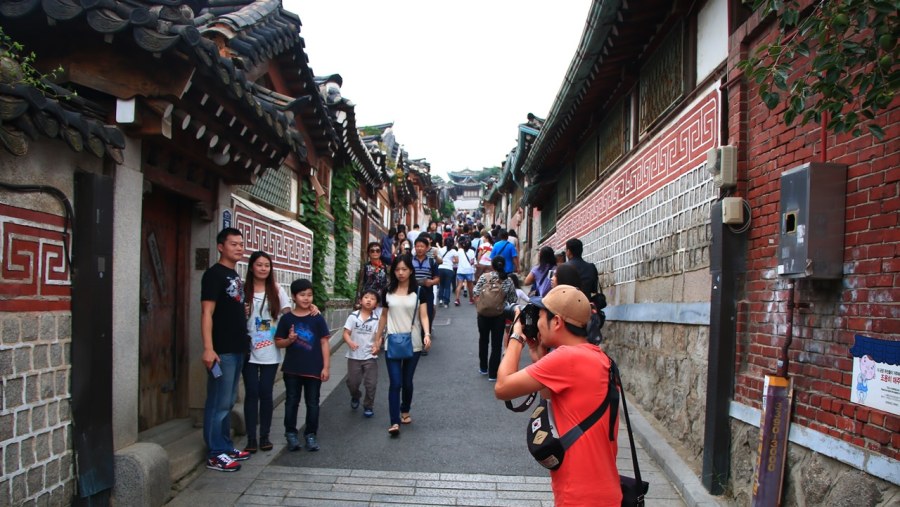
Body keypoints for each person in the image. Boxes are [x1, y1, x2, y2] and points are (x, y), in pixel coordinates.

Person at [495, 285, 621, 506]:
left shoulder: (566, 358)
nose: (537, 322)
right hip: (603, 489)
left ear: (557, 322)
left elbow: (503, 387)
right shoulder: (599, 358)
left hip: (580, 496)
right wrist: (539, 357)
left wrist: (516, 335)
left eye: (540, 315)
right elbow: (554, 403)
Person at [200, 228, 251, 472]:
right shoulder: (213, 275)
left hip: (238, 348)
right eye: (233, 244)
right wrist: (209, 348)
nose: (239, 248)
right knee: (218, 402)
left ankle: (225, 446)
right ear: (221, 246)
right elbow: (207, 313)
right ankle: (215, 453)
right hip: (222, 350)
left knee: (229, 400)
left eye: (241, 244)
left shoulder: (234, 274)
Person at [376, 255, 432, 436]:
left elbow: (424, 315)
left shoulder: (419, 291)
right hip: (392, 341)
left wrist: (427, 334)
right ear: (393, 271)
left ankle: (405, 409)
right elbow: (384, 316)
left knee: (407, 382)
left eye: (404, 269)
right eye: (397, 269)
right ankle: (394, 421)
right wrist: (377, 338)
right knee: (395, 382)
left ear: (411, 271)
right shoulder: (387, 291)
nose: (400, 273)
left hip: (413, 342)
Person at [241, 251, 291, 455]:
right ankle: (251, 438)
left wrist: (310, 307)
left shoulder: (276, 290)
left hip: (271, 349)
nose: (263, 268)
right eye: (259, 265)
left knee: (266, 392)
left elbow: (288, 313)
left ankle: (265, 436)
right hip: (248, 348)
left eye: (266, 265)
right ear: (251, 267)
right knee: (251, 392)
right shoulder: (243, 290)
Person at [275, 278, 330, 452]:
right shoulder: (286, 319)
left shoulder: (317, 318)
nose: (306, 298)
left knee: (312, 402)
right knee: (292, 401)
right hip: (292, 368)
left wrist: (326, 367)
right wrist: (289, 340)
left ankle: (310, 434)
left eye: (309, 295)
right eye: (302, 295)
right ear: (293, 296)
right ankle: (290, 433)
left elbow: (324, 343)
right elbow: (278, 343)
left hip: (314, 368)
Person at [473, 256, 517, 381]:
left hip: (483, 315)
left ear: (492, 265)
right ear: (503, 265)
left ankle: (483, 368)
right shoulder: (508, 280)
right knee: (496, 345)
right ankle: (493, 374)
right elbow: (513, 300)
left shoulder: (484, 277)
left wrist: (482, 305)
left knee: (483, 340)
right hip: (499, 316)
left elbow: (476, 292)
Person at [342, 289, 381, 418]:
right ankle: (355, 396)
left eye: (372, 298)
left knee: (371, 383)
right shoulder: (353, 316)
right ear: (360, 301)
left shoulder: (377, 320)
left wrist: (377, 346)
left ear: (376, 304)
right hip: (354, 356)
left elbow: (378, 336)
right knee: (353, 382)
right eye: (366, 297)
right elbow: (346, 333)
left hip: (370, 356)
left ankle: (368, 406)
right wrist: (350, 342)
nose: (369, 300)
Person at [411, 237, 439, 342]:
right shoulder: (409, 261)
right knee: (413, 314)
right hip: (412, 291)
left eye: (422, 246)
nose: (419, 248)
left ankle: (425, 339)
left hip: (427, 292)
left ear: (427, 248)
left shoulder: (432, 262)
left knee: (427, 314)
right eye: (417, 246)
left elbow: (437, 279)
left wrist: (430, 282)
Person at [454, 238, 476, 306]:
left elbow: (457, 259)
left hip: (460, 270)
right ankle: (471, 299)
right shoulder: (472, 251)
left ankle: (457, 300)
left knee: (459, 285)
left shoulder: (459, 251)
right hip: (469, 270)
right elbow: (472, 262)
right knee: (470, 286)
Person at [437, 237, 458, 308]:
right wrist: (452, 261)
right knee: (447, 286)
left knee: (441, 285)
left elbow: (438, 259)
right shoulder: (454, 251)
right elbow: (456, 261)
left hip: (440, 268)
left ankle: (440, 299)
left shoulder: (441, 249)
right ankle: (446, 302)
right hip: (449, 269)